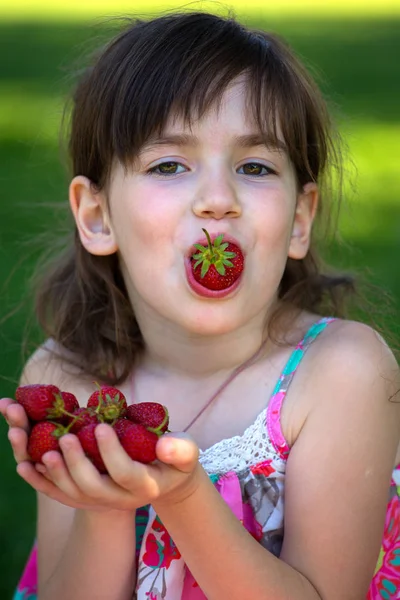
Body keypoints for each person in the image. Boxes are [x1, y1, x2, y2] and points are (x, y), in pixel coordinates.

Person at [1, 11, 399, 600]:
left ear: (298, 219)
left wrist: (182, 496)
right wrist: (105, 504)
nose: (218, 200)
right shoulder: (68, 385)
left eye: (255, 167)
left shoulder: (341, 374)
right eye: (169, 165)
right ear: (97, 215)